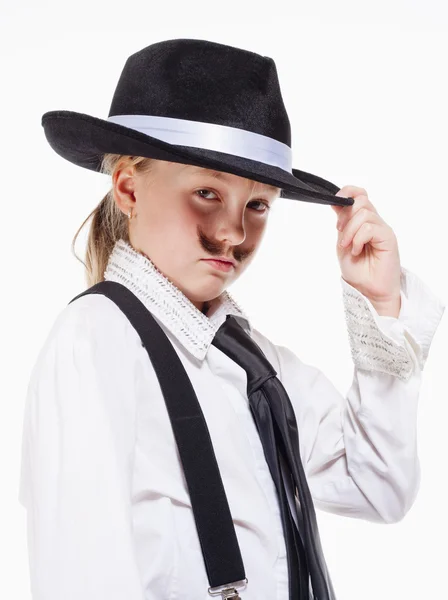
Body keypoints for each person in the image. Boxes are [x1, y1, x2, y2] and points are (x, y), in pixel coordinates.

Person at [18, 39, 445, 600]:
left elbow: (378, 487)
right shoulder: (96, 341)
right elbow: (83, 575)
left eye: (258, 205)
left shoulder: (261, 368)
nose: (233, 233)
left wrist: (382, 306)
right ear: (127, 187)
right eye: (205, 193)